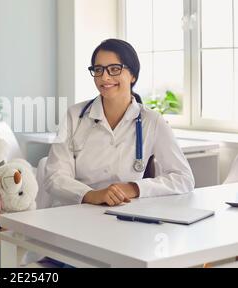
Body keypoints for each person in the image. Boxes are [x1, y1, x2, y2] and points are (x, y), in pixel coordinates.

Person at [43, 38, 194, 208]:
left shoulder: (152, 121)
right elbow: (54, 176)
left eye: (114, 69)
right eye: (98, 69)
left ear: (133, 75)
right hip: (77, 210)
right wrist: (91, 195)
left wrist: (134, 188)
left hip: (125, 213)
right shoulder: (74, 115)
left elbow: (184, 178)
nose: (105, 77)